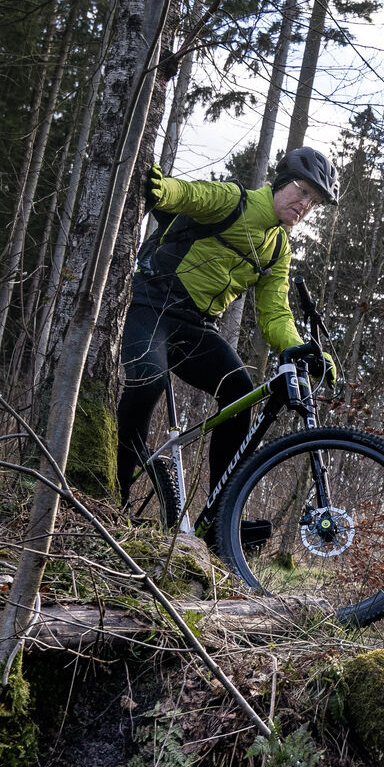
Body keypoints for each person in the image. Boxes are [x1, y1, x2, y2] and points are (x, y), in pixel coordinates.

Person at [115, 146, 339, 541]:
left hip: (197, 327)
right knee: (148, 382)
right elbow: (190, 194)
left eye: (314, 202)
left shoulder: (278, 248)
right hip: (151, 306)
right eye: (302, 192)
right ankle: (115, 491)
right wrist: (160, 189)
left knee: (240, 393)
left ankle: (221, 515)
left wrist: (304, 349)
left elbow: (274, 314)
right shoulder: (234, 202)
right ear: (282, 183)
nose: (305, 206)